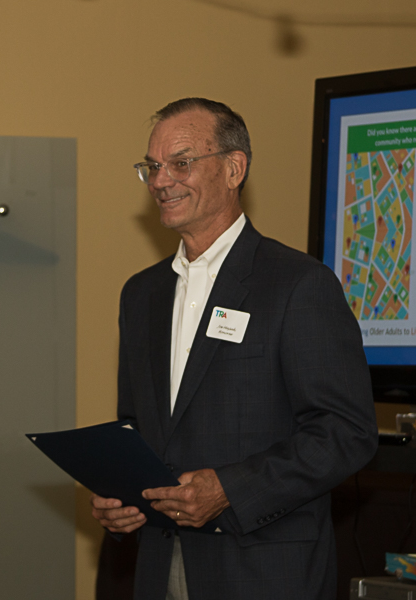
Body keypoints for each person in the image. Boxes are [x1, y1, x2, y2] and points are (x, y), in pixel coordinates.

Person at [91, 98, 378, 600]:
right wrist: (120, 499)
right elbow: (134, 426)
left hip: (262, 571)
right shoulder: (141, 295)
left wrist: (229, 490)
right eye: (153, 167)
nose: (160, 181)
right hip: (160, 566)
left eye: (180, 163)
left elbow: (345, 432)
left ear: (233, 168)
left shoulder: (297, 285)